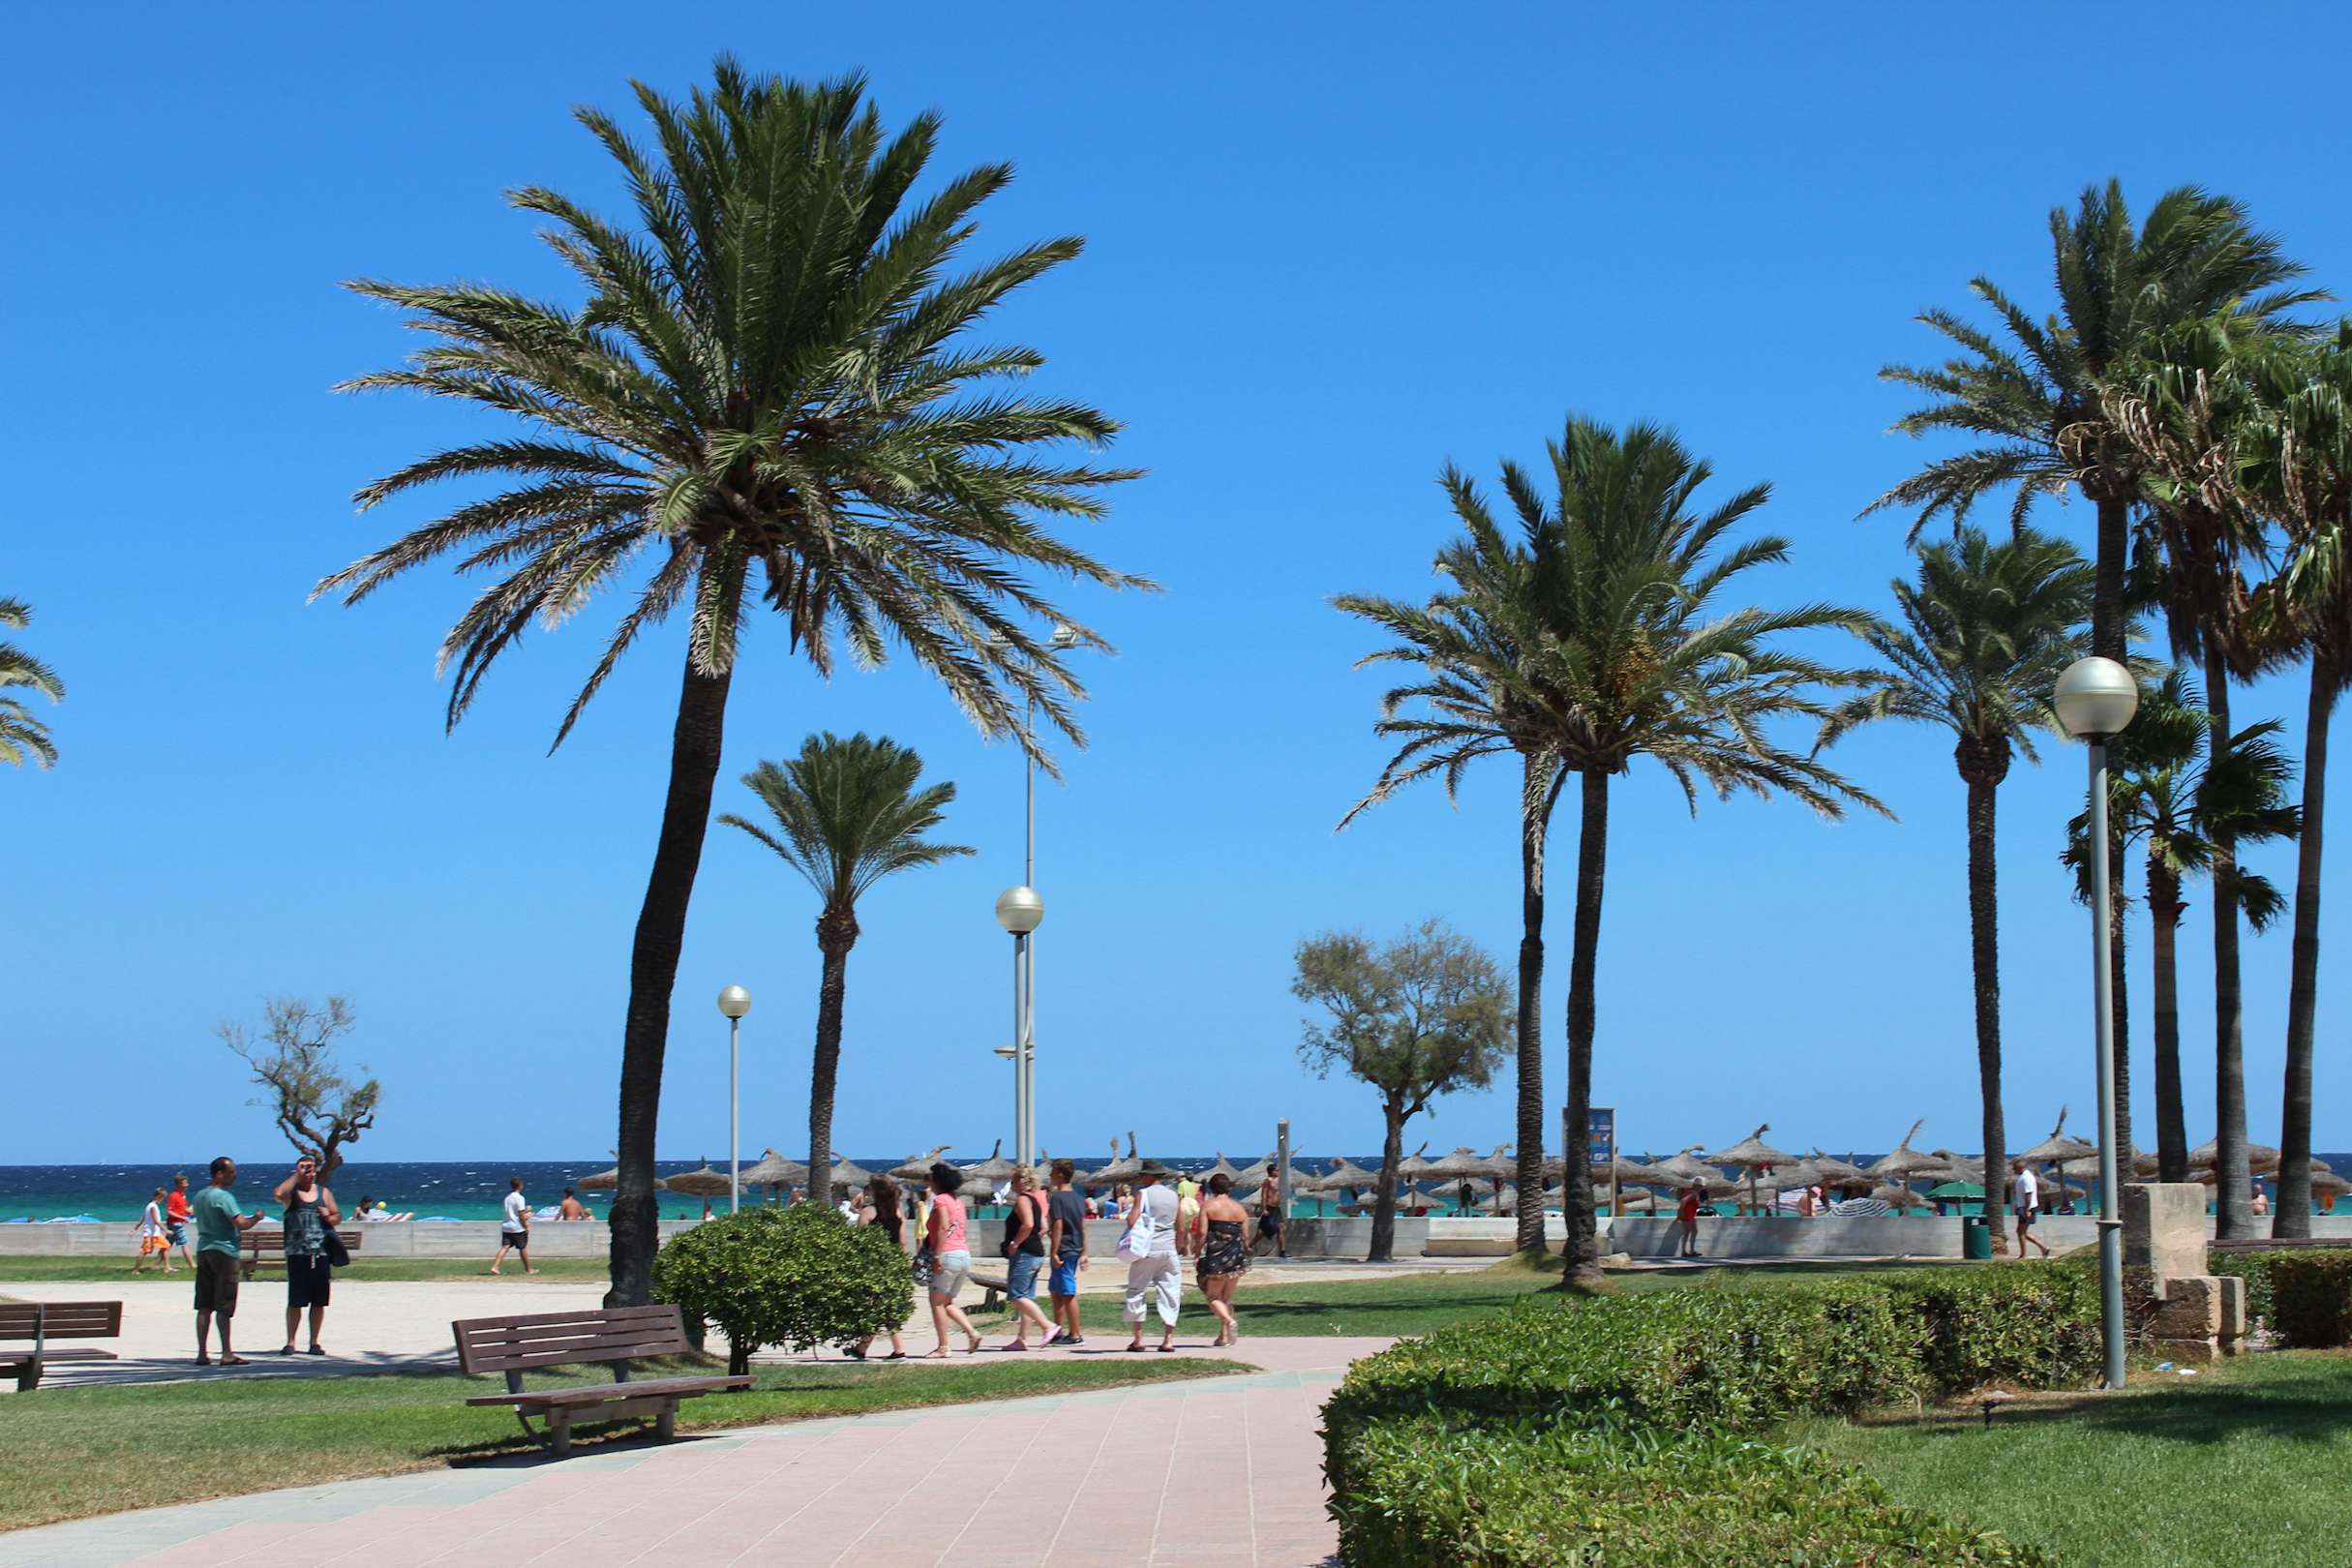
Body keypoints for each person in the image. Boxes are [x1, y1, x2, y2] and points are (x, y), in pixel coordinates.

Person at [192, 1156, 262, 1367]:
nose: (235, 1175)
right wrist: (257, 1217)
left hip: (204, 1249)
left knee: (204, 1305)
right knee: (224, 1305)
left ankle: (202, 1353)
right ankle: (226, 1353)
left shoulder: (199, 1196)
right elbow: (241, 1224)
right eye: (231, 1172)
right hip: (224, 1251)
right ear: (219, 1174)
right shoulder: (223, 1197)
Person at [273, 1155, 341, 1355]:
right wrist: (297, 1174)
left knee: (318, 1301)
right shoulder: (291, 1194)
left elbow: (337, 1216)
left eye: (312, 1169)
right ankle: (291, 1342)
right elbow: (278, 1194)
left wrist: (329, 1217)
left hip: (320, 1253)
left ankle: (314, 1342)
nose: (309, 1173)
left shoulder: (323, 1193)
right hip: (297, 1254)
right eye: (305, 1168)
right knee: (295, 1300)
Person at [1122, 1159, 1183, 1352]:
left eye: (1142, 1175)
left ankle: (1138, 1339)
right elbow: (1181, 1226)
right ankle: (1168, 1339)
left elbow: (1132, 1220)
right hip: (1169, 1247)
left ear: (1149, 1176)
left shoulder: (1144, 1194)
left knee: (1137, 1289)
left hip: (1148, 1248)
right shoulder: (1174, 1195)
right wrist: (1177, 1247)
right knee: (1170, 1291)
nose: (1141, 1178)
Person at [922, 1161, 982, 1357]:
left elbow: (942, 1227)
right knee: (947, 1302)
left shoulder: (940, 1200)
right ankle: (972, 1333)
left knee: (937, 1303)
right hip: (962, 1254)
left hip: (947, 1254)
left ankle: (943, 1346)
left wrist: (937, 1256)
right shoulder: (958, 1202)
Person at [996, 1166, 1059, 1349]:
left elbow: (1028, 1224)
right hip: (1035, 1252)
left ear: (1021, 1181)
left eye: (1013, 1180)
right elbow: (1043, 1226)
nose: (1011, 1184)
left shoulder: (1023, 1199)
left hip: (1025, 1254)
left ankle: (1048, 1326)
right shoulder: (1035, 1200)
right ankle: (1022, 1339)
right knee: (1027, 1298)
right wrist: (1033, 1239)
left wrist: (1015, 1243)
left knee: (1016, 1296)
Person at [850, 1175, 909, 1360]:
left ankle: (898, 1350)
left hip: (874, 1265)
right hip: (893, 1264)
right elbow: (902, 1242)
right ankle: (862, 1348)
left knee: (879, 1307)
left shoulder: (868, 1212)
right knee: (882, 1306)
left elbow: (860, 1241)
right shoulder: (898, 1212)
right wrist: (901, 1264)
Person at [1196, 1172, 1251, 1347]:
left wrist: (1197, 1252)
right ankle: (1224, 1337)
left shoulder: (1208, 1206)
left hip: (1216, 1257)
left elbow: (1202, 1232)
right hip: (1236, 1257)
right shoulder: (1239, 1208)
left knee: (1213, 1296)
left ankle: (1229, 1321)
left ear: (1211, 1188)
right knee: (1226, 1298)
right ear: (1229, 1188)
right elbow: (1245, 1236)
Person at [1045, 1158, 1088, 1347]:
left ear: (1061, 1175)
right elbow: (1083, 1226)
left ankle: (1075, 1334)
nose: (1050, 1176)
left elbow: (1058, 1226)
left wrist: (1053, 1251)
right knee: (1056, 1290)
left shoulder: (1057, 1198)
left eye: (1053, 1172)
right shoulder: (1079, 1198)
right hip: (1075, 1247)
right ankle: (1057, 1331)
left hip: (1064, 1249)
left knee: (1067, 1291)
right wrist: (1085, 1251)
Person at [491, 1176, 536, 1275]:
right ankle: (528, 1269)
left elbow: (511, 1212)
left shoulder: (507, 1198)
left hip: (506, 1226)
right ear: (520, 1185)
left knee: (505, 1247)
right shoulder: (520, 1198)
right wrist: (526, 1224)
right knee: (522, 1248)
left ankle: (495, 1267)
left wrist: (526, 1211)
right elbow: (520, 1215)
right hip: (517, 1227)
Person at [2009, 1161, 2049, 1259]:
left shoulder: (2026, 1178)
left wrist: (2027, 1209)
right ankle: (2043, 1248)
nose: (2013, 1170)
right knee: (2021, 1232)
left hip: (2026, 1208)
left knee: (2020, 1232)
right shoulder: (2024, 1176)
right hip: (2024, 1207)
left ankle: (2023, 1255)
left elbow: (2028, 1194)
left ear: (2020, 1167)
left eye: (2015, 1168)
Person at [135, 1187, 172, 1274]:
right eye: (162, 1198)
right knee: (144, 1251)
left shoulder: (150, 1205)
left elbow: (144, 1217)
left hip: (156, 1233)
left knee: (166, 1246)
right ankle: (136, 1270)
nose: (162, 1200)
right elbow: (156, 1221)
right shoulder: (153, 1207)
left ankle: (167, 1267)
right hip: (151, 1234)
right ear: (159, 1196)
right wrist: (166, 1230)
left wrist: (136, 1227)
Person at [166, 1173, 196, 1272]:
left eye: (187, 1183)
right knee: (184, 1243)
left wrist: (191, 1210)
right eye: (185, 1183)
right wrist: (183, 1217)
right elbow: (169, 1212)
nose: (187, 1185)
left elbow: (184, 1209)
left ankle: (158, 1265)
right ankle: (192, 1265)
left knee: (167, 1245)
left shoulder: (182, 1195)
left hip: (176, 1223)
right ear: (179, 1184)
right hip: (175, 1224)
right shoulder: (173, 1196)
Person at [1255, 1167, 1285, 1258]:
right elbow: (1264, 1195)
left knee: (1281, 1228)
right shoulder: (1267, 1181)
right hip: (1269, 1208)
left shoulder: (1274, 1182)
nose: (1279, 1172)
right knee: (1262, 1232)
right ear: (1272, 1171)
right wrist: (1264, 1209)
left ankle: (1282, 1252)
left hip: (1276, 1209)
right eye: (1277, 1170)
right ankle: (1249, 1246)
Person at [1671, 1184, 1704, 1258]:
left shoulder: (1687, 1191)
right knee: (1694, 1231)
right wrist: (1682, 1212)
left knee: (1687, 1233)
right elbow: (1683, 1201)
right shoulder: (1693, 1193)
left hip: (1686, 1215)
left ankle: (1684, 1252)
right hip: (1688, 1216)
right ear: (1696, 1186)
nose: (1702, 1187)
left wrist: (1681, 1213)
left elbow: (1684, 1201)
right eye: (1700, 1186)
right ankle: (1691, 1251)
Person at [1174, 1171, 1201, 1259]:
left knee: (1180, 1229)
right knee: (1188, 1231)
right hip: (1193, 1207)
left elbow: (1180, 1197)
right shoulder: (1191, 1185)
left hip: (1185, 1207)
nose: (1177, 1181)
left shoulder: (1181, 1185)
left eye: (1177, 1179)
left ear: (1179, 1177)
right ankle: (1188, 1252)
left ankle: (1178, 1250)